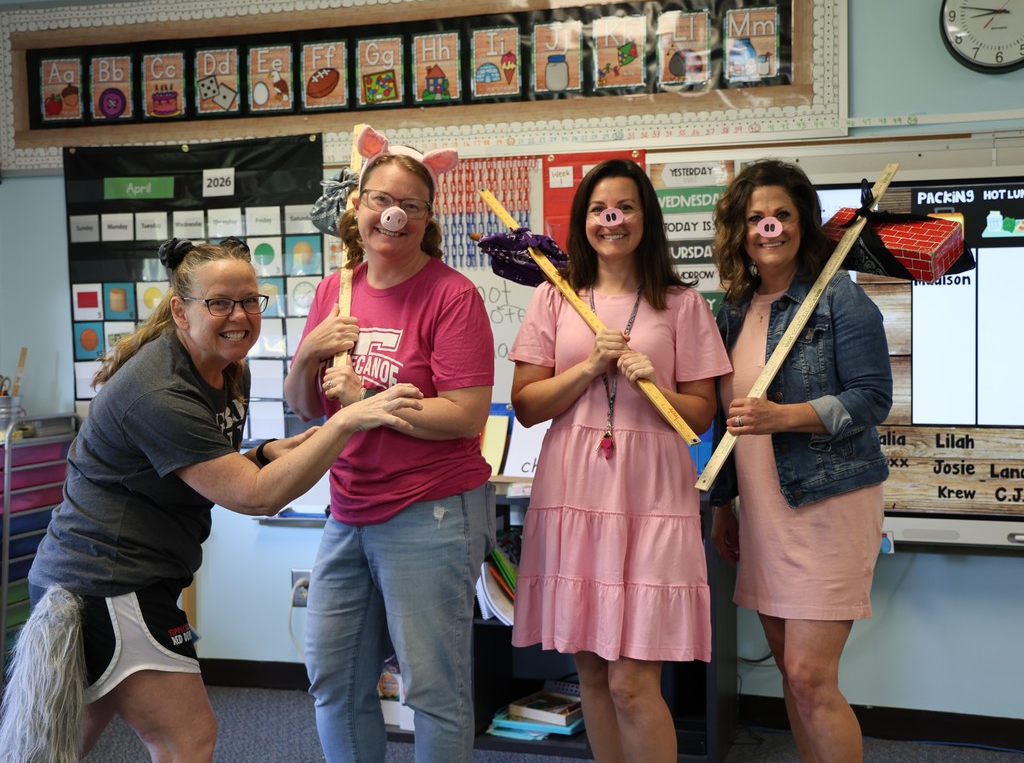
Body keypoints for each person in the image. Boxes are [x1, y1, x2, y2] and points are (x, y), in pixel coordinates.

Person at [0, 237, 423, 763]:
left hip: (115, 580)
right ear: (180, 310)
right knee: (187, 738)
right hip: (109, 582)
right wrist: (347, 420)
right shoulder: (158, 391)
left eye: (249, 300)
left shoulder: (225, 368)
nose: (239, 316)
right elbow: (253, 496)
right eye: (219, 302)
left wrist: (267, 450)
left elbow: (204, 464)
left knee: (56, 746)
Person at [508, 158, 732, 763]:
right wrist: (587, 369)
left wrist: (652, 376)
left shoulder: (683, 304)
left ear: (645, 217)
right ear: (583, 221)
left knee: (634, 683)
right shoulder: (555, 299)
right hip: (574, 487)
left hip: (652, 493)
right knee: (593, 677)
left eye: (626, 207)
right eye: (600, 209)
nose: (612, 219)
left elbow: (700, 415)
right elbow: (526, 406)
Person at [283, 125, 495, 763]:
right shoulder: (334, 289)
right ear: (359, 204)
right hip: (347, 507)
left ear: (428, 217)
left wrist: (360, 400)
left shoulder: (452, 296)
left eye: (410, 205)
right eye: (379, 199)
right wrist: (307, 357)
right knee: (334, 679)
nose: (393, 215)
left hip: (428, 507)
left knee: (432, 688)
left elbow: (464, 415)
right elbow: (301, 405)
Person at [708, 159, 893, 762]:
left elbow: (872, 399)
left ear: (803, 223)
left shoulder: (840, 299)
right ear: (739, 229)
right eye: (756, 217)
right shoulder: (731, 309)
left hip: (827, 502)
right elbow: (727, 421)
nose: (770, 228)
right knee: (792, 675)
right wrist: (723, 506)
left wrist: (783, 416)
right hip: (762, 511)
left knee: (812, 679)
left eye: (782, 215)